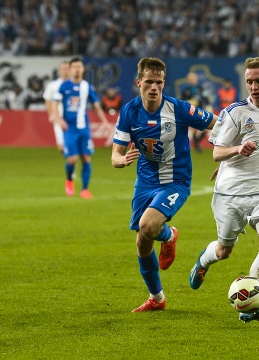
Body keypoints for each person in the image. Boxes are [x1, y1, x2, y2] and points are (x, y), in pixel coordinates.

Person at [189, 57, 259, 323]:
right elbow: (216, 153)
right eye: (248, 81)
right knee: (225, 250)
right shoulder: (234, 113)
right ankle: (203, 262)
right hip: (231, 192)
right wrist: (237, 149)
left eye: (258, 80)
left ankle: (253, 301)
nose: (253, 86)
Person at [111, 57, 217, 313]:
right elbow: (115, 155)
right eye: (149, 82)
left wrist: (225, 152)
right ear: (139, 82)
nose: (154, 87)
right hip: (145, 182)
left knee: (148, 226)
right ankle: (156, 298)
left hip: (176, 181)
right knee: (142, 242)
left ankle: (169, 234)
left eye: (158, 82)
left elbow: (219, 122)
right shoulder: (129, 111)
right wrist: (122, 159)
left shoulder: (179, 109)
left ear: (164, 83)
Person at [51, 56, 112, 199]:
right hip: (69, 129)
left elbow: (96, 106)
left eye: (79, 67)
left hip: (83, 128)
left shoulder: (87, 87)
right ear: (70, 69)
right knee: (72, 159)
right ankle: (69, 180)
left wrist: (104, 121)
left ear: (83, 69)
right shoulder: (64, 86)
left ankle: (85, 189)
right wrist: (59, 120)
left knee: (85, 158)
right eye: (74, 67)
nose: (77, 70)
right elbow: (54, 104)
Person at [179, 71, 211, 153]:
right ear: (188, 79)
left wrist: (209, 107)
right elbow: (180, 102)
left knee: (206, 128)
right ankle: (197, 146)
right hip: (191, 112)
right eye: (191, 78)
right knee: (193, 129)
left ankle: (196, 143)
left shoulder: (200, 88)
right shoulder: (185, 89)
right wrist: (190, 102)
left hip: (201, 111)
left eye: (194, 78)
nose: (192, 80)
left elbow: (206, 99)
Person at [44, 60, 69, 152]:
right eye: (63, 68)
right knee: (61, 144)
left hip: (72, 116)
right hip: (58, 115)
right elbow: (47, 100)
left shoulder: (76, 84)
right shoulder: (53, 85)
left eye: (67, 68)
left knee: (71, 142)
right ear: (59, 71)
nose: (65, 71)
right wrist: (50, 114)